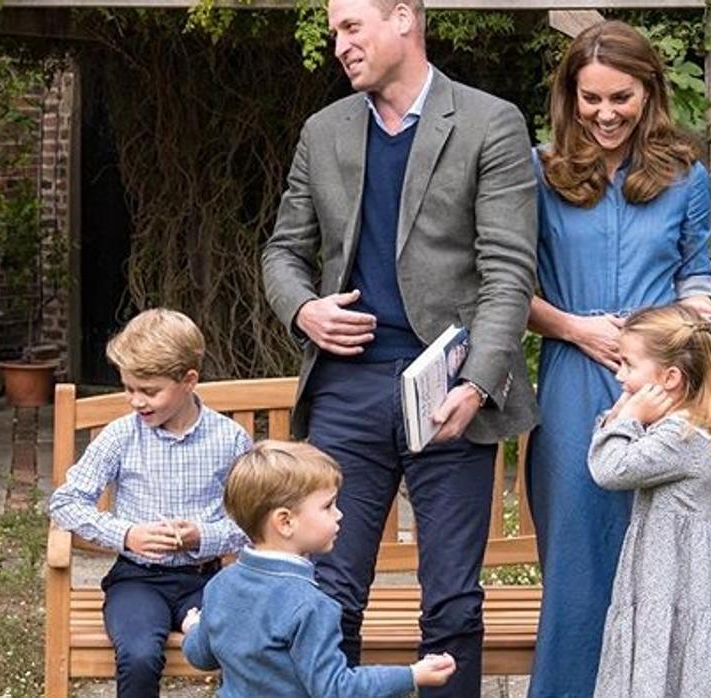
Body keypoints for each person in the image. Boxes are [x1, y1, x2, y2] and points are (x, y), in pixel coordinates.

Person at [261, 0, 538, 693]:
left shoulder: (489, 122)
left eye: (352, 27)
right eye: (333, 34)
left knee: (450, 601)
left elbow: (508, 272)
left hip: (451, 391)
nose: (340, 46)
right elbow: (281, 253)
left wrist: (476, 384)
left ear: (405, 19)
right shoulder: (323, 132)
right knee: (326, 593)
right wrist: (304, 309)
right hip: (347, 390)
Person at [524, 20, 711, 696]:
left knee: (690, 549)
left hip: (667, 386)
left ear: (650, 94)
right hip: (576, 384)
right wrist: (577, 329)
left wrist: (697, 313)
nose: (606, 114)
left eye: (622, 98)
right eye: (592, 98)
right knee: (581, 555)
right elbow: (507, 289)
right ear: (570, 96)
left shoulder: (685, 175)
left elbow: (692, 273)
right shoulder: (537, 168)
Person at [47, 308, 251, 698]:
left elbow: (253, 522)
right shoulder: (121, 436)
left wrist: (203, 537)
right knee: (139, 655)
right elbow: (66, 502)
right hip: (136, 581)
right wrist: (127, 534)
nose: (136, 401)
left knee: (240, 646)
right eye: (128, 388)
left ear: (189, 380)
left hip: (206, 580)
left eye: (149, 391)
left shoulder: (230, 440)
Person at [181, 440, 457, 697]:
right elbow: (336, 689)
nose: (339, 514)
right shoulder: (310, 605)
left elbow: (201, 656)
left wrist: (194, 627)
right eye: (328, 506)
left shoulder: (221, 584)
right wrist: (412, 674)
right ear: (285, 522)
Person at [587, 304, 711, 696]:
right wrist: (629, 416)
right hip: (667, 579)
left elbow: (609, 470)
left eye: (628, 365)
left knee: (676, 665)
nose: (619, 374)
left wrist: (624, 417)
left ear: (669, 378)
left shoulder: (681, 438)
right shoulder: (680, 428)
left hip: (674, 584)